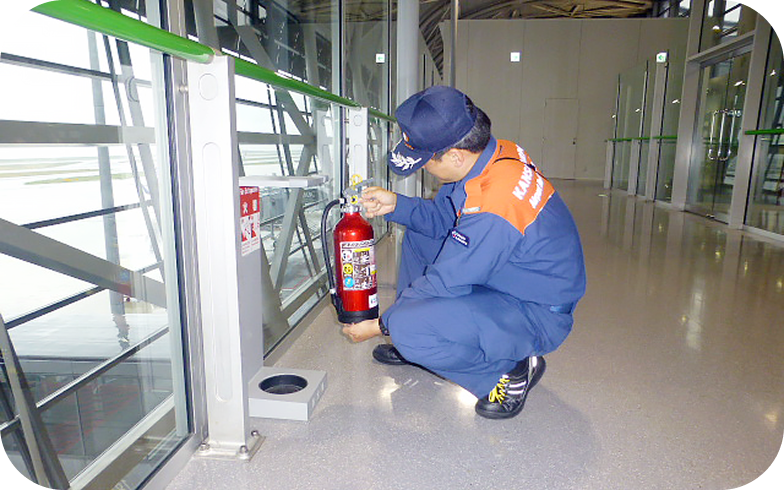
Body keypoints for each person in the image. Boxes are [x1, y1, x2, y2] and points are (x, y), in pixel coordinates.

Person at [342, 85, 586, 420]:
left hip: (537, 312)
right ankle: (409, 332)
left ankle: (508, 372)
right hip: (514, 277)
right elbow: (443, 221)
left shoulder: (495, 202)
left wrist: (382, 325)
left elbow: (447, 280)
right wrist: (396, 205)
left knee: (411, 329)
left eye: (427, 161)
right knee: (419, 236)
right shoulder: (494, 155)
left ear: (455, 155)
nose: (425, 169)